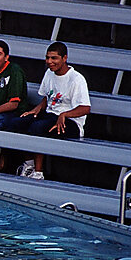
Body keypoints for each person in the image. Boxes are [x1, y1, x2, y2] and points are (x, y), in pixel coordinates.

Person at [17, 42, 91, 180]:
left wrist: (64, 114)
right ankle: (29, 166)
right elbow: (47, 97)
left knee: (38, 127)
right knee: (19, 122)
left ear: (64, 58)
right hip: (51, 115)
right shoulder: (49, 73)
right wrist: (36, 110)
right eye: (47, 58)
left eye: (54, 58)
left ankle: (38, 173)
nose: (49, 62)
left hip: (71, 123)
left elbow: (85, 108)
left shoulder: (76, 79)